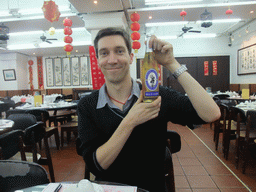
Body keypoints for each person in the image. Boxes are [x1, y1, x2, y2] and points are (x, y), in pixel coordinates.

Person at [77, 27, 220, 192]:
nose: (112, 59)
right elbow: (96, 165)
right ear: (97, 60)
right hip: (110, 189)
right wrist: (130, 121)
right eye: (104, 53)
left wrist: (171, 64)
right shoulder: (87, 105)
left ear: (131, 57)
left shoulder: (157, 95)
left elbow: (211, 113)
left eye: (119, 51)